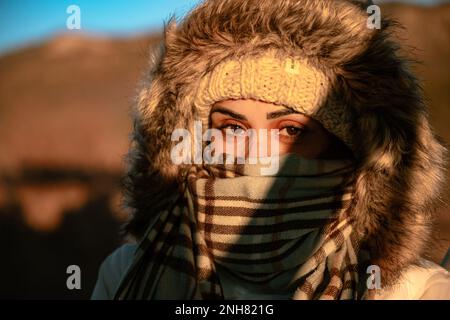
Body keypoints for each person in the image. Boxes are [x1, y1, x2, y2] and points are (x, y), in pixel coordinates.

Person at [91, 0, 450, 300]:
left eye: (291, 130)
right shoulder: (126, 273)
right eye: (232, 128)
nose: (255, 155)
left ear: (347, 154)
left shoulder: (415, 293)